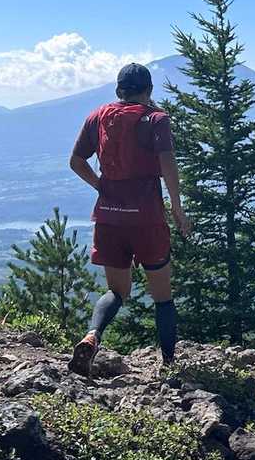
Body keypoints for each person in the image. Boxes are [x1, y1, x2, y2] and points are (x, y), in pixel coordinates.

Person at [68, 62, 190, 374]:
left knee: (117, 291)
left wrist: (101, 186)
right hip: (147, 219)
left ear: (118, 90)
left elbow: (76, 161)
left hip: (109, 218)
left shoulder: (98, 116)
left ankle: (92, 335)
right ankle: (169, 365)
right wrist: (177, 207)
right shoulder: (156, 119)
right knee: (162, 297)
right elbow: (167, 164)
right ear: (149, 90)